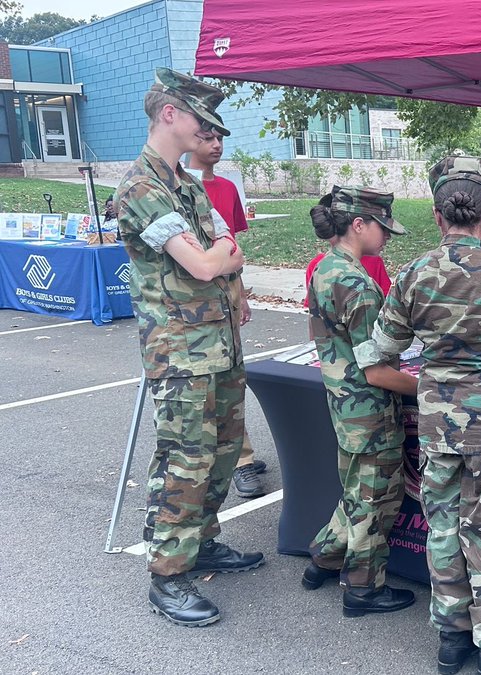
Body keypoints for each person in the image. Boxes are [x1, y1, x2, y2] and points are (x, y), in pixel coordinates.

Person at [355, 156, 481, 675]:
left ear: (439, 218)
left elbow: (379, 350)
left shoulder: (412, 275)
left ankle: (452, 635)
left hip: (440, 430)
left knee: (443, 528)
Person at [117, 67, 261, 627]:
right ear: (170, 114)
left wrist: (224, 255)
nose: (209, 129)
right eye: (201, 118)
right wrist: (223, 252)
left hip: (217, 343)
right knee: (184, 458)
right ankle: (168, 575)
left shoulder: (187, 185)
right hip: (180, 351)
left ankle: (201, 541)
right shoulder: (141, 188)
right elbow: (207, 261)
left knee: (223, 451)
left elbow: (229, 254)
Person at [301, 186, 418, 617]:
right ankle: (363, 589)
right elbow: (377, 371)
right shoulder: (358, 285)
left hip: (345, 404)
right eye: (382, 227)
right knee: (377, 501)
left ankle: (324, 559)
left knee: (356, 492)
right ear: (358, 224)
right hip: (370, 409)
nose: (386, 236)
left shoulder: (325, 269)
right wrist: (430, 389)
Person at [187, 130, 270, 499]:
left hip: (229, 287)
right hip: (197, 296)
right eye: (207, 138)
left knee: (234, 374)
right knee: (213, 378)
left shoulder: (227, 188)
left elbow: (234, 249)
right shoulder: (177, 187)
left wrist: (242, 293)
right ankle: (240, 462)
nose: (216, 145)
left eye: (220, 138)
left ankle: (237, 452)